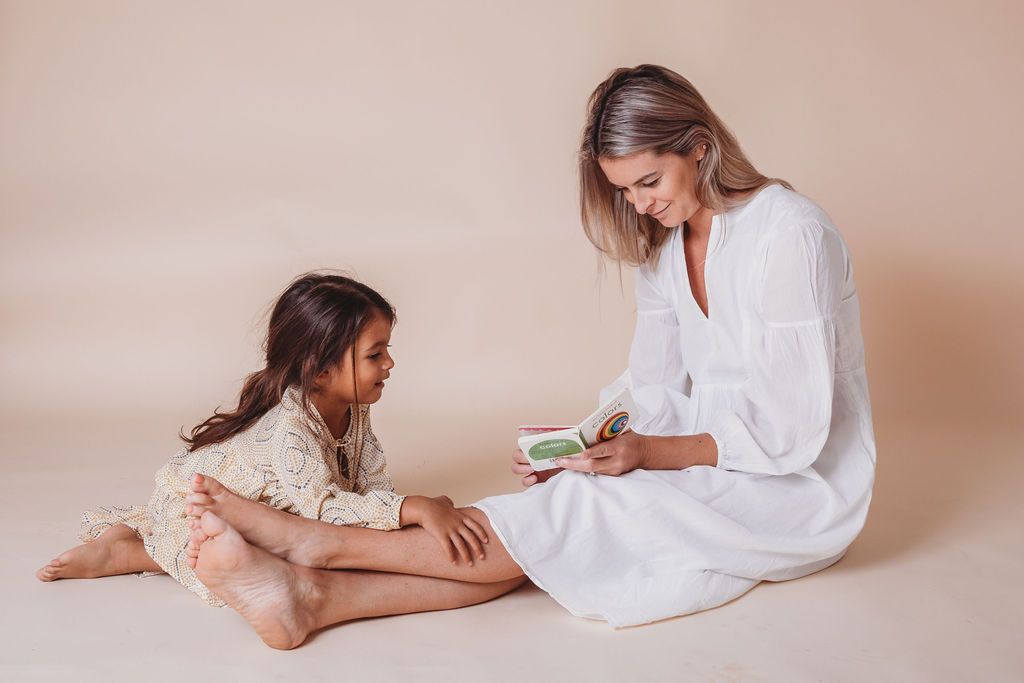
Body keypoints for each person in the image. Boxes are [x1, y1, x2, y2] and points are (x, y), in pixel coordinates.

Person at [182, 64, 876, 647]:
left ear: (698, 147)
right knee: (570, 512)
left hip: (794, 485)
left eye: (649, 182)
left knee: (583, 515)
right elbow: (654, 385)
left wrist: (645, 455)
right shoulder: (666, 249)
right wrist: (583, 442)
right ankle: (313, 596)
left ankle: (321, 546)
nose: (639, 205)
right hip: (704, 456)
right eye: (624, 191)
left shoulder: (789, 235)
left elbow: (791, 429)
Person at [36, 272, 488, 605]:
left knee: (315, 542)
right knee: (257, 557)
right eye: (375, 354)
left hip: (285, 505)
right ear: (321, 369)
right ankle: (127, 551)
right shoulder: (290, 426)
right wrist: (411, 508)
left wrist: (407, 513)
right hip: (196, 503)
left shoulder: (352, 408)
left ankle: (133, 544)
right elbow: (323, 507)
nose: (389, 363)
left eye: (387, 348)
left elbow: (367, 481)